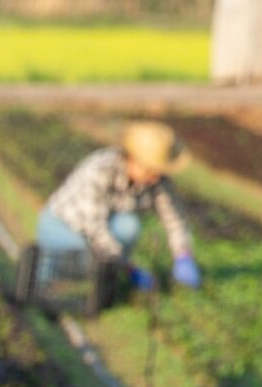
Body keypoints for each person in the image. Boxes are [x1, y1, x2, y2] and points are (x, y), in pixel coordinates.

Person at [38, 121, 203, 294]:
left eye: (158, 171)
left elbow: (174, 219)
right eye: (149, 170)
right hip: (62, 225)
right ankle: (44, 277)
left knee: (129, 226)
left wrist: (183, 256)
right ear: (131, 159)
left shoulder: (157, 181)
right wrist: (127, 268)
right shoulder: (101, 170)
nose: (155, 177)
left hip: (100, 232)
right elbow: (94, 227)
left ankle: (106, 277)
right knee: (85, 262)